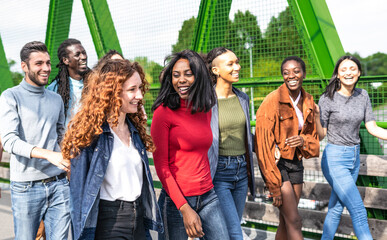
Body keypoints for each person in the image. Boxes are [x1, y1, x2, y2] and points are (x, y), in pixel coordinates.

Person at [61, 59, 163, 239]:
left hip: (139, 219)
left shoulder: (135, 130)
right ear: (112, 93)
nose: (139, 96)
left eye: (140, 88)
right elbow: (78, 193)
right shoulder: (91, 135)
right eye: (132, 90)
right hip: (109, 222)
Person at [151, 49, 229, 239]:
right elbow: (162, 167)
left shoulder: (205, 108)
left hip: (208, 196)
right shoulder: (163, 113)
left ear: (199, 76)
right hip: (176, 201)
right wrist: (184, 208)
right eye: (176, 75)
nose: (181, 80)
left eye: (188, 74)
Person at [0, 41, 70, 239]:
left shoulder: (56, 99)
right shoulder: (10, 97)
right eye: (39, 63)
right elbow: (9, 141)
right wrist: (48, 154)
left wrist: (68, 157)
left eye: (48, 63)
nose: (46, 68)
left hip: (58, 184)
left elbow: (61, 134)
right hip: (25, 187)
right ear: (24, 66)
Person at [315, 55, 387, 240]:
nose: (348, 72)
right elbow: (321, 134)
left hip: (354, 158)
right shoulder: (327, 98)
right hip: (335, 159)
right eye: (344, 69)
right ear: (338, 75)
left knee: (336, 208)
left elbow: (372, 127)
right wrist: (316, 116)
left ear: (359, 73)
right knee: (358, 210)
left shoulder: (362, 95)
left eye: (352, 69)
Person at [255, 56, 319, 240]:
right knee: (295, 221)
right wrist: (274, 186)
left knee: (286, 221)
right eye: (286, 72)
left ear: (304, 74)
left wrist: (303, 141)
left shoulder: (308, 100)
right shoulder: (271, 101)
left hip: (296, 162)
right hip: (277, 164)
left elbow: (313, 139)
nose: (291, 76)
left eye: (296, 71)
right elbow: (262, 146)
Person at [206, 47, 255, 240]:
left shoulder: (243, 98)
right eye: (231, 64)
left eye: (237, 62)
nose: (238, 67)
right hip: (219, 173)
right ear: (215, 70)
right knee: (235, 232)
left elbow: (244, 133)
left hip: (242, 171)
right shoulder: (206, 100)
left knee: (228, 229)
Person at [47, 38, 89, 128]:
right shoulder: (53, 90)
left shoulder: (97, 84)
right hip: (67, 140)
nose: (83, 57)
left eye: (84, 53)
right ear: (66, 60)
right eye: (77, 54)